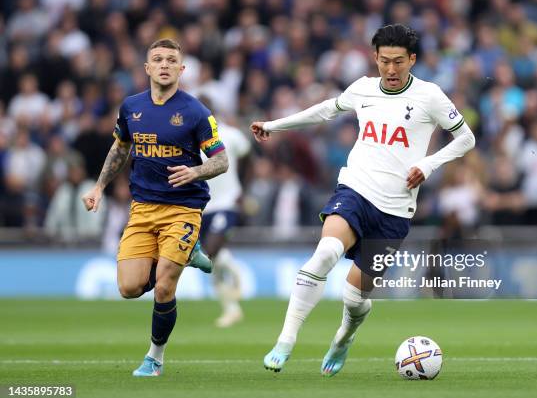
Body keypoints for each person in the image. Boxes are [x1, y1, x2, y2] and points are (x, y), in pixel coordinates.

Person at [251, 24, 475, 376]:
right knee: (325, 253)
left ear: (412, 60)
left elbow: (466, 138)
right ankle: (286, 340)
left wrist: (428, 165)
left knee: (354, 298)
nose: (390, 69)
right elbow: (325, 110)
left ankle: (344, 336)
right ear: (375, 57)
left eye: (398, 61)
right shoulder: (363, 89)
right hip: (355, 191)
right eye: (384, 61)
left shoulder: (430, 96)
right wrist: (274, 125)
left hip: (396, 211)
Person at [81, 38, 228, 377]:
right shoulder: (131, 107)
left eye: (171, 60)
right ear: (147, 68)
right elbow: (120, 149)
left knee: (164, 285)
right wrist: (99, 186)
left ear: (181, 69)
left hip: (183, 209)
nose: (164, 64)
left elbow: (222, 161)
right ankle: (186, 254)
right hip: (143, 209)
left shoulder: (196, 112)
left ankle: (155, 357)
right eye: (157, 59)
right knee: (129, 288)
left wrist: (195, 170)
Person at [196, 95, 251, 327]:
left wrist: (242, 189)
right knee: (210, 259)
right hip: (201, 207)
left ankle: (233, 269)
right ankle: (231, 308)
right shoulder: (190, 140)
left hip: (227, 204)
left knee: (211, 251)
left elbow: (249, 159)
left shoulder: (230, 135)